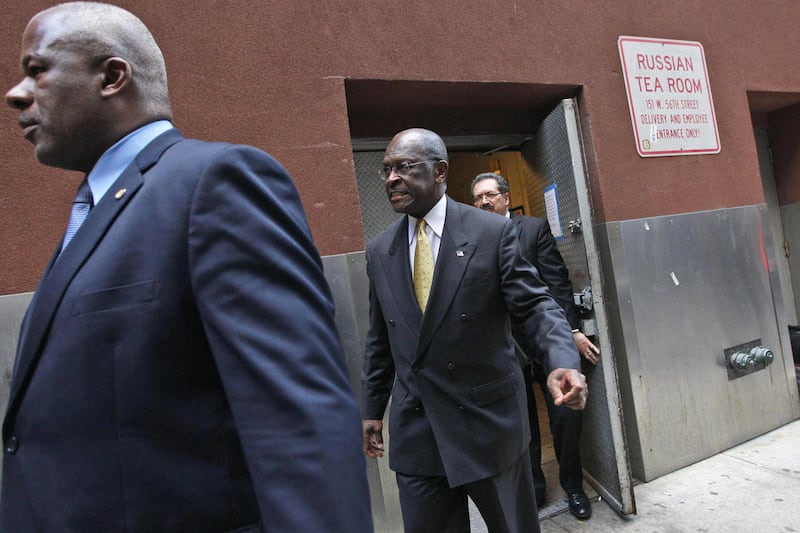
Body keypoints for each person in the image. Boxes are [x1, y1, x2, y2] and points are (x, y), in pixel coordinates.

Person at [3, 3, 372, 531]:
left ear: (111, 76)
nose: (16, 93)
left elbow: (296, 420)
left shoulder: (214, 182)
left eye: (37, 70)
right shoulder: (97, 209)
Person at [360, 128, 587, 533]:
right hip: (419, 430)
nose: (392, 179)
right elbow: (381, 338)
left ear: (440, 170)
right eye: (387, 170)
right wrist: (371, 409)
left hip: (487, 425)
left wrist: (561, 360)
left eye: (405, 167)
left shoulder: (490, 232)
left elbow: (536, 306)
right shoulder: (380, 250)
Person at [472, 172, 599, 520]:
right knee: (521, 422)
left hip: (542, 341)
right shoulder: (472, 238)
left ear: (506, 198)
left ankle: (574, 486)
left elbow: (556, 283)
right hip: (505, 347)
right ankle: (536, 490)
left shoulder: (533, 229)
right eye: (478, 198)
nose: (484, 202)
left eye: (489, 195)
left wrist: (570, 330)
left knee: (564, 418)